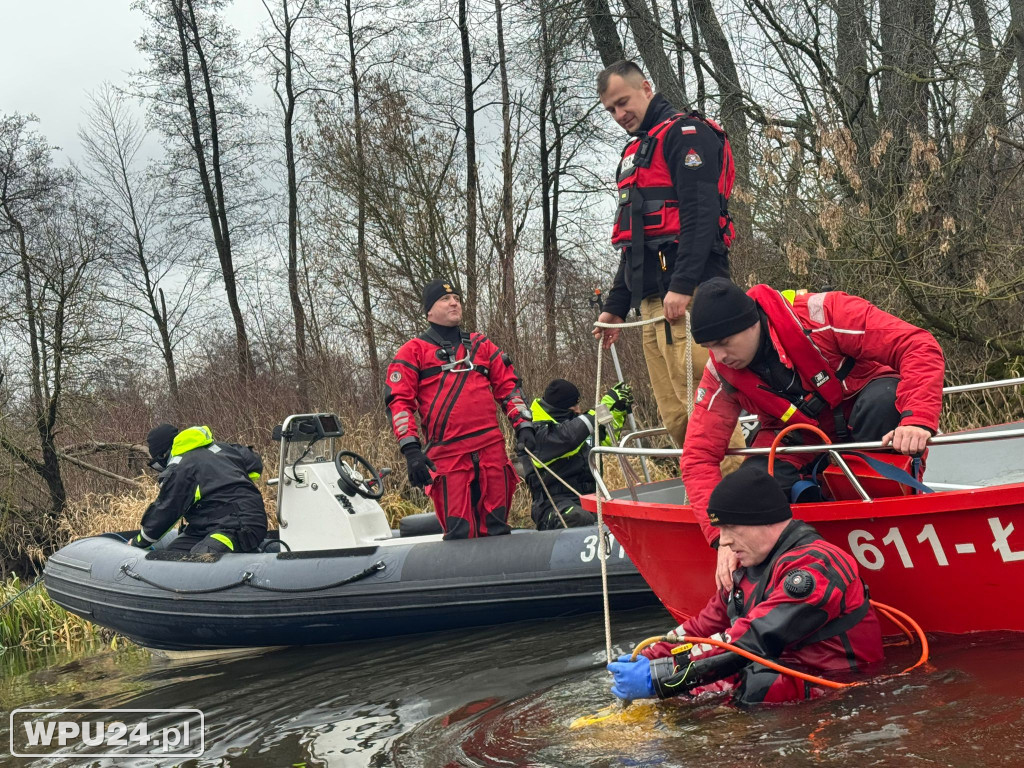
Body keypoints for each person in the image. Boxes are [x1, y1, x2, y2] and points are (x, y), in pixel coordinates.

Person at [682, 278, 945, 590]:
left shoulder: (825, 315)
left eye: (725, 342)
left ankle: (888, 519)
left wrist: (916, 419)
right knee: (750, 492)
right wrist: (723, 535)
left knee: (883, 401)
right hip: (800, 436)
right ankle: (793, 576)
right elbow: (698, 457)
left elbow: (918, 345)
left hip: (865, 413)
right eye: (709, 347)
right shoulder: (721, 374)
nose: (720, 355)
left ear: (752, 322)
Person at [607, 465, 883, 706]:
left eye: (729, 528)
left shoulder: (816, 566)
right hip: (781, 680)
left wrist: (661, 676)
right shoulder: (746, 569)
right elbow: (703, 628)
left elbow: (753, 639)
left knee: (761, 683)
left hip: (837, 690)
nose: (723, 541)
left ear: (760, 519)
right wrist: (647, 657)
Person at [591, 59, 745, 458]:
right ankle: (704, 496)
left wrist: (682, 284)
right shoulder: (638, 150)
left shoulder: (684, 134)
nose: (619, 115)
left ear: (646, 87)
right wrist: (615, 308)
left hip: (689, 296)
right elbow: (636, 240)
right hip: (651, 300)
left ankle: (738, 508)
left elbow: (699, 213)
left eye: (623, 102)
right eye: (610, 110)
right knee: (675, 415)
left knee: (707, 411)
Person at [385, 279, 533, 539]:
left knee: (497, 528)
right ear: (429, 310)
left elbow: (508, 387)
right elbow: (400, 403)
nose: (454, 302)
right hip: (449, 458)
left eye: (456, 298)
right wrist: (411, 450)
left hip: (491, 451)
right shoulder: (413, 352)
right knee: (460, 533)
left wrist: (523, 426)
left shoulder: (480, 345)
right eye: (445, 299)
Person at [130, 424, 267, 554]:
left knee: (200, 560)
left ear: (163, 455)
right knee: (173, 555)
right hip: (208, 526)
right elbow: (254, 464)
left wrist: (138, 543)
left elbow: (166, 511)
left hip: (237, 525)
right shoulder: (222, 449)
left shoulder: (182, 468)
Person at [525, 378, 634, 530]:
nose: (578, 409)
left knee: (624, 514)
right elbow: (568, 439)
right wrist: (600, 411)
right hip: (553, 504)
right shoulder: (536, 432)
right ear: (559, 408)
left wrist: (616, 411)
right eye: (573, 405)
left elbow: (607, 440)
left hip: (590, 497)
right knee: (578, 517)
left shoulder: (576, 424)